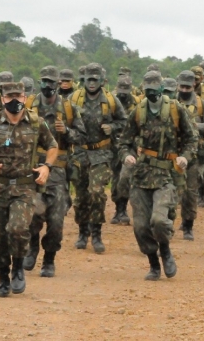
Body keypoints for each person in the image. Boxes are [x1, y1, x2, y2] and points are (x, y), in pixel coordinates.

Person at [0, 81, 58, 297]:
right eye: (9, 97)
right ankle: (2, 279)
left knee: (17, 228)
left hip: (24, 188)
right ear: (2, 99)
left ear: (26, 97)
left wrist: (46, 167)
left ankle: (18, 267)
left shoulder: (36, 123)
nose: (14, 100)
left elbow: (53, 146)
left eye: (18, 96)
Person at [118, 71, 198, 280]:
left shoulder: (175, 109)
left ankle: (165, 250)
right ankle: (153, 263)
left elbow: (191, 139)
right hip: (142, 175)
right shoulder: (138, 111)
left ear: (162, 89)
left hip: (167, 175)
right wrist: (127, 155)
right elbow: (124, 141)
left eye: (155, 90)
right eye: (148, 91)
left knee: (160, 221)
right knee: (141, 226)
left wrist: (185, 157)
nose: (151, 95)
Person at [22, 67, 86, 277]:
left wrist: (66, 131)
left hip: (58, 171)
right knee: (32, 214)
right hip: (32, 170)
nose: (47, 86)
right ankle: (32, 246)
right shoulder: (29, 106)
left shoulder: (69, 109)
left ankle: (49, 259)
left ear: (58, 84)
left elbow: (81, 137)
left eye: (51, 82)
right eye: (44, 81)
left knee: (56, 219)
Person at [70, 63, 127, 253]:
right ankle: (82, 231)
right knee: (82, 196)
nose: (92, 83)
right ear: (83, 80)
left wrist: (113, 128)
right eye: (89, 79)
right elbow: (65, 121)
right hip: (80, 153)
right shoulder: (74, 98)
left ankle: (96, 232)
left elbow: (124, 121)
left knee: (96, 192)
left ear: (102, 81)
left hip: (101, 153)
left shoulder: (111, 100)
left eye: (95, 79)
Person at [175, 70, 204, 240]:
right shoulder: (171, 102)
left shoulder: (201, 104)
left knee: (190, 193)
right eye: (182, 87)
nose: (184, 90)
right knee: (170, 191)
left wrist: (194, 126)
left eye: (188, 87)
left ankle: (188, 225)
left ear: (194, 85)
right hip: (172, 154)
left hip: (193, 155)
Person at [110, 76, 141, 225]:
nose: (122, 94)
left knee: (125, 176)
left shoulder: (137, 104)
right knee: (115, 178)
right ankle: (118, 208)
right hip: (112, 145)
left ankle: (122, 209)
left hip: (130, 146)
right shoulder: (110, 101)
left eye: (125, 90)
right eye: (120, 90)